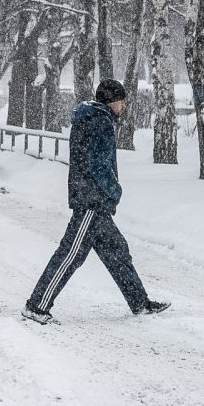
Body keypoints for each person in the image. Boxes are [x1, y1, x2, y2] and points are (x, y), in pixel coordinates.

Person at [22, 79, 170, 324]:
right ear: (112, 101)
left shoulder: (90, 119)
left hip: (93, 200)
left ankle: (140, 302)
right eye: (122, 101)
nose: (124, 106)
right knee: (70, 255)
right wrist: (115, 190)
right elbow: (99, 165)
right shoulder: (101, 122)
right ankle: (36, 306)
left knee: (117, 251)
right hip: (91, 201)